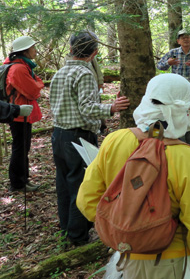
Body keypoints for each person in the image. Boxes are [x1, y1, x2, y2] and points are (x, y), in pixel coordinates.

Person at [77, 73, 190, 279]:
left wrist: (124, 230)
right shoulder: (187, 158)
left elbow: (87, 199)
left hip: (125, 263)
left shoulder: (114, 141)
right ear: (183, 109)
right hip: (173, 263)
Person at [50, 31, 130, 246]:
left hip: (58, 135)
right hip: (78, 137)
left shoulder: (60, 73)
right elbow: (86, 107)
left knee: (64, 184)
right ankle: (77, 237)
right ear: (94, 53)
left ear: (71, 49)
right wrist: (111, 108)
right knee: (81, 186)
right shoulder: (84, 74)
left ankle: (67, 228)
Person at [4, 35, 44, 193]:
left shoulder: (24, 66)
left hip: (22, 112)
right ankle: (18, 183)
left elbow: (36, 83)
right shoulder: (19, 69)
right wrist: (38, 85)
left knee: (22, 148)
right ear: (25, 51)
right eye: (33, 48)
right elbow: (34, 91)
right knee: (20, 148)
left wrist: (37, 83)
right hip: (19, 114)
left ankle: (23, 180)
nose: (35, 50)